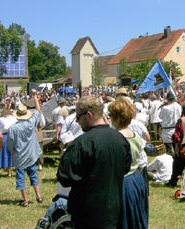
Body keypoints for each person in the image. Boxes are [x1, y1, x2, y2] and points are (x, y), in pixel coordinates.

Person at [57, 96, 132, 228]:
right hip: (113, 208)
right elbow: (126, 168)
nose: (78, 122)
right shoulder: (120, 139)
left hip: (87, 212)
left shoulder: (82, 143)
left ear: (89, 115)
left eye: (78, 117)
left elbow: (64, 177)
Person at [108, 97, 149, 229]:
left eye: (111, 115)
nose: (109, 118)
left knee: (124, 220)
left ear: (118, 118)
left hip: (123, 182)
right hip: (136, 179)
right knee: (136, 218)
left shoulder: (115, 138)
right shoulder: (135, 135)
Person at [7, 89, 43, 207]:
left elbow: (10, 145)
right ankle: (38, 196)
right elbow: (38, 110)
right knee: (33, 175)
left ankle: (25, 200)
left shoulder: (12, 128)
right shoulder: (30, 123)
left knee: (20, 178)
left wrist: (12, 154)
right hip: (31, 154)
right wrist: (35, 96)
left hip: (19, 156)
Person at [167, 104, 185, 187]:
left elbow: (176, 134)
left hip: (182, 146)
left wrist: (177, 141)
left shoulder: (180, 121)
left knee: (178, 165)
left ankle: (173, 182)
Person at [0, 108, 17, 176]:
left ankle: (9, 171)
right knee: (11, 153)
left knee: (6, 154)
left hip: (4, 136)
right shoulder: (13, 118)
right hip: (13, 136)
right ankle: (10, 170)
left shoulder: (0, 119)